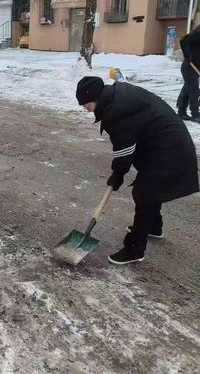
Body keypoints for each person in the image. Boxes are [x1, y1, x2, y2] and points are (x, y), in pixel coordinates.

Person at [76, 76, 199, 265]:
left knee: (145, 193)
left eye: (86, 104)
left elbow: (124, 150)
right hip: (166, 145)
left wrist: (117, 175)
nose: (85, 108)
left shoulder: (117, 111)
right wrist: (118, 173)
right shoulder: (118, 99)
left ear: (95, 98)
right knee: (151, 188)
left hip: (170, 150)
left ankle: (135, 249)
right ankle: (153, 226)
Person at [177, 26, 200, 122]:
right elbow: (183, 40)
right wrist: (187, 55)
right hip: (189, 67)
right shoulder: (197, 34)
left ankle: (181, 112)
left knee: (187, 89)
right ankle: (195, 114)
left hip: (196, 69)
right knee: (194, 89)